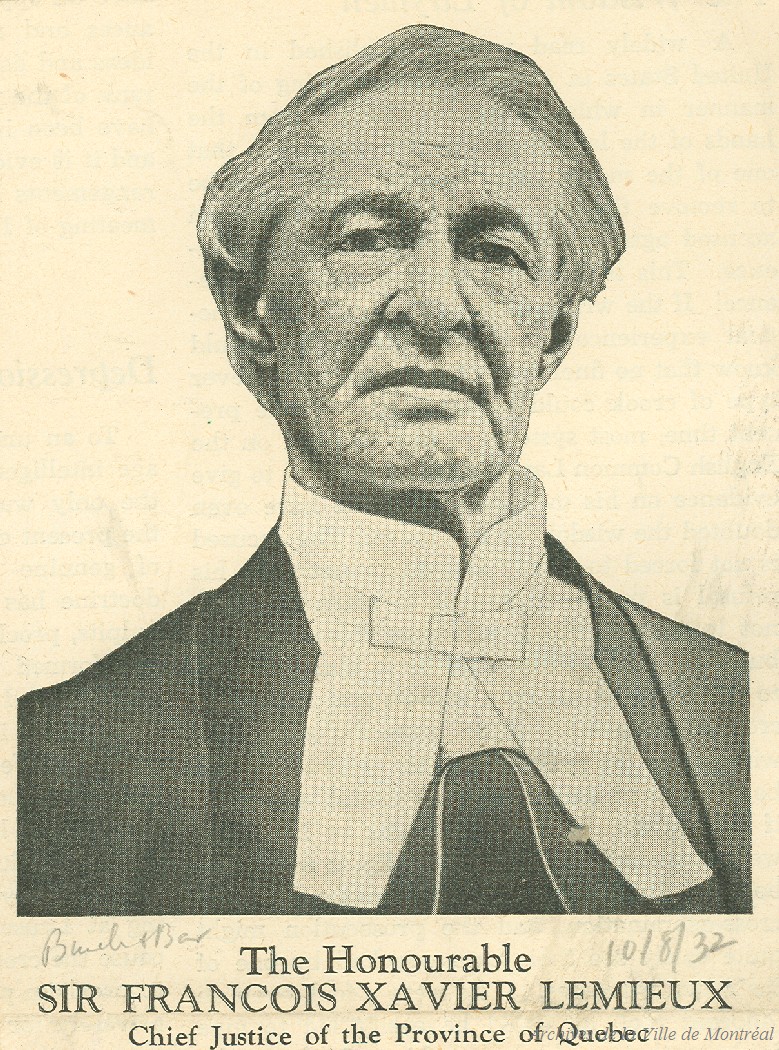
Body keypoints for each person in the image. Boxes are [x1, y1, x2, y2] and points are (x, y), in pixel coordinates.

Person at [17, 25, 750, 916]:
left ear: (553, 333)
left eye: (495, 252)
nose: (436, 309)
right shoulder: (61, 756)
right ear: (250, 307)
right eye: (367, 239)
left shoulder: (739, 708)